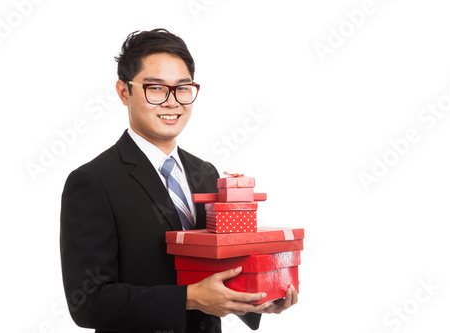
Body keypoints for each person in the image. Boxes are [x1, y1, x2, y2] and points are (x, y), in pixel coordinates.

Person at [60, 28, 297, 333]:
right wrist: (189, 298)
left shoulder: (206, 173)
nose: (172, 102)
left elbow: (220, 266)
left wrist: (258, 299)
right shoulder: (93, 182)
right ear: (124, 92)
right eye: (156, 88)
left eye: (183, 88)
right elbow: (88, 303)